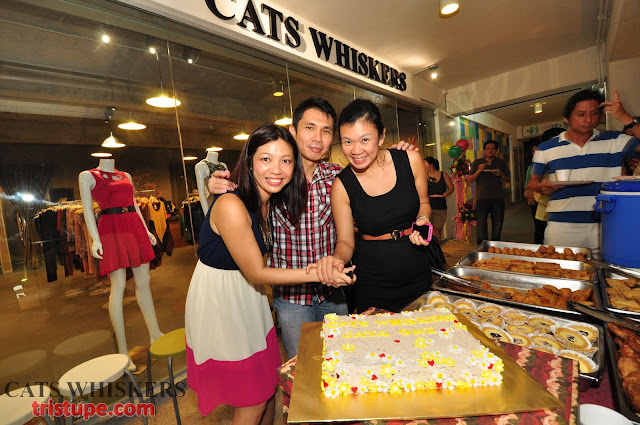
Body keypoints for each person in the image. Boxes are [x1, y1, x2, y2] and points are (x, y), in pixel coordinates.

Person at [185, 124, 354, 424]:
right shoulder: (232, 204)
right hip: (222, 301)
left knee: (265, 388)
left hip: (248, 295)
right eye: (266, 159)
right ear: (249, 161)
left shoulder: (269, 199)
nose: (276, 169)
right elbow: (257, 272)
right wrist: (316, 273)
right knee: (251, 399)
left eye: (285, 160)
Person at [317, 99, 432, 313]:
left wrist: (422, 220)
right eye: (348, 141)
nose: (356, 150)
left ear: (381, 136)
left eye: (365, 140)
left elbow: (424, 203)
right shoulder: (342, 185)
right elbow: (345, 240)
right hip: (373, 283)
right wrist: (337, 260)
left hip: (417, 271)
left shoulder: (410, 159)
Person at [526, 88, 640, 255]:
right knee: (561, 268)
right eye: (581, 114)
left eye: (594, 114)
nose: (588, 120)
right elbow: (532, 184)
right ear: (566, 118)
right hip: (562, 227)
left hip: (605, 223)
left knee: (606, 268)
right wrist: (543, 187)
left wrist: (627, 118)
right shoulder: (546, 148)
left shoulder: (615, 140)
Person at [79, 159, 163, 371]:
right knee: (118, 287)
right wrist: (95, 239)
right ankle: (123, 352)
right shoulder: (88, 176)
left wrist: (146, 230)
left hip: (134, 225)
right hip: (112, 228)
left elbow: (133, 203)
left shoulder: (126, 175)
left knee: (144, 282)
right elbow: (87, 210)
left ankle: (155, 333)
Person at [524, 128, 564, 244]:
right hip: (544, 208)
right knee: (542, 237)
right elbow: (529, 187)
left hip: (564, 211)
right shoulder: (537, 167)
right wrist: (538, 189)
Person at [466, 140, 511, 244]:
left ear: (496, 150)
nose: (490, 150)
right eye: (487, 148)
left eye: (493, 148)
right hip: (482, 198)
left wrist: (501, 174)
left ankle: (495, 246)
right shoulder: (477, 162)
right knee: (481, 224)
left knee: (497, 224)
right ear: (484, 150)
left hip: (498, 198)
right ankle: (482, 247)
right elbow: (470, 179)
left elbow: (508, 180)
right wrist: (479, 170)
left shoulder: (501, 163)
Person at [423, 156, 454, 242]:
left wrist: (446, 193)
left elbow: (451, 187)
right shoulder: (424, 176)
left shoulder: (444, 175)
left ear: (431, 165)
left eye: (424, 163)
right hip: (427, 206)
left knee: (437, 230)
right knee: (427, 230)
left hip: (440, 207)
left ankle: (437, 248)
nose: (422, 165)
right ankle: (428, 249)